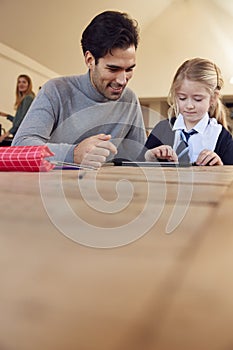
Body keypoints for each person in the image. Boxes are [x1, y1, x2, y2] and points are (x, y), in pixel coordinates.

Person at [12, 11, 146, 167]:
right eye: (113, 69)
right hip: (51, 188)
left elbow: (137, 156)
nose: (122, 80)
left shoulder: (129, 100)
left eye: (129, 69)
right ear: (90, 60)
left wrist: (152, 156)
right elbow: (20, 147)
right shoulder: (55, 90)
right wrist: (72, 154)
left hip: (104, 188)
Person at [144, 57, 233, 165]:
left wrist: (220, 167)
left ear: (213, 98)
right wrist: (149, 156)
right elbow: (136, 167)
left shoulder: (221, 137)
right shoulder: (162, 129)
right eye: (182, 98)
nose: (189, 106)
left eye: (197, 99)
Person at [0, 74, 35, 143]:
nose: (21, 84)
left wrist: (5, 135)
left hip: (23, 136)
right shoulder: (24, 98)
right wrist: (6, 115)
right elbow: (18, 120)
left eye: (24, 82)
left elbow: (22, 120)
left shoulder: (28, 98)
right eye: (19, 82)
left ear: (29, 84)